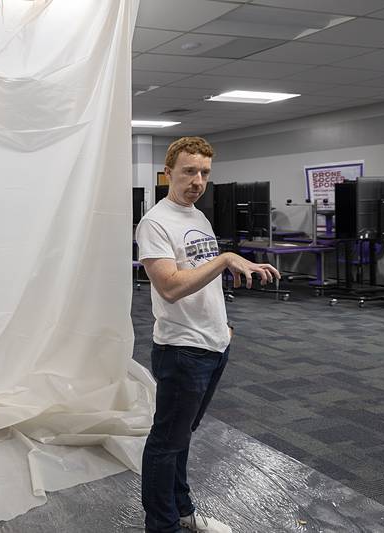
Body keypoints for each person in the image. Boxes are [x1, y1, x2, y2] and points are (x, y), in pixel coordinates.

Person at [135, 137, 280, 533]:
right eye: (188, 171)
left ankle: (183, 513)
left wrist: (223, 326)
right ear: (168, 173)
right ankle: (162, 526)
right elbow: (170, 287)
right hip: (182, 350)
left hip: (213, 344)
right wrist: (227, 259)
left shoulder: (198, 217)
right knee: (166, 443)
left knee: (181, 438)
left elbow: (203, 281)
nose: (197, 180)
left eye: (204, 173)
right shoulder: (155, 223)